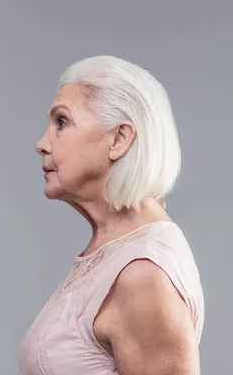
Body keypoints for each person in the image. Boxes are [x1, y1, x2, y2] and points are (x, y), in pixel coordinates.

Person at [19, 55, 204, 374]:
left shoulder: (143, 275)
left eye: (61, 122)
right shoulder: (116, 249)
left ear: (119, 139)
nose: (41, 144)